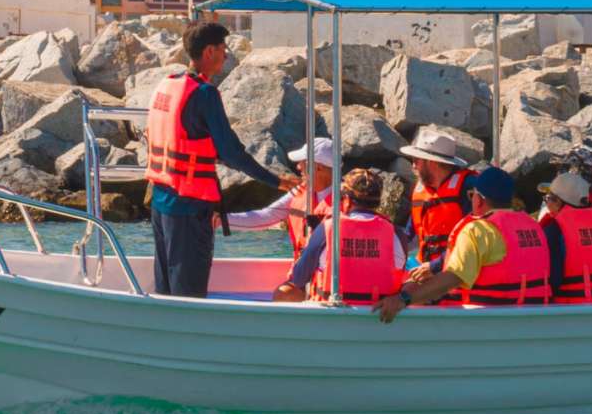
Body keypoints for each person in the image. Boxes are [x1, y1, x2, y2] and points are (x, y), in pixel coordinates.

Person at [146, 21, 297, 298]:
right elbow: (230, 152)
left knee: (165, 290)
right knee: (188, 295)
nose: (226, 55)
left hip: (160, 201)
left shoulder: (168, 85)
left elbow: (191, 138)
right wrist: (276, 181)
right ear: (209, 52)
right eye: (223, 49)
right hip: (189, 209)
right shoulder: (205, 94)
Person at [373, 167, 551, 323]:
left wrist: (403, 298)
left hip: (484, 321)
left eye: (471, 195)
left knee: (413, 291)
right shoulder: (533, 225)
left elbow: (452, 277)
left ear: (479, 199)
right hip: (531, 316)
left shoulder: (478, 230)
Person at [275, 169, 405, 304]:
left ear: (346, 199)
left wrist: (311, 240)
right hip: (380, 313)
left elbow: (299, 278)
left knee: (282, 294)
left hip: (333, 311)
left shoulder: (327, 229)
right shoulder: (396, 233)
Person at [226, 137, 334, 260]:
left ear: (318, 168)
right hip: (305, 275)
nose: (298, 167)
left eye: (303, 162)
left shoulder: (348, 200)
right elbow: (266, 216)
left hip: (331, 277)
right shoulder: (299, 192)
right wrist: (220, 219)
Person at [539, 172, 592, 303]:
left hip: (570, 309)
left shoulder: (555, 229)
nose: (547, 204)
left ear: (558, 201)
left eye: (548, 199)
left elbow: (553, 281)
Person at [401, 129, 476, 269]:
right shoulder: (420, 190)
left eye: (416, 160)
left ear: (432, 163)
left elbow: (474, 240)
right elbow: (407, 235)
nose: (413, 166)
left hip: (457, 270)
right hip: (425, 266)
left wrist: (435, 266)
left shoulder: (468, 186)